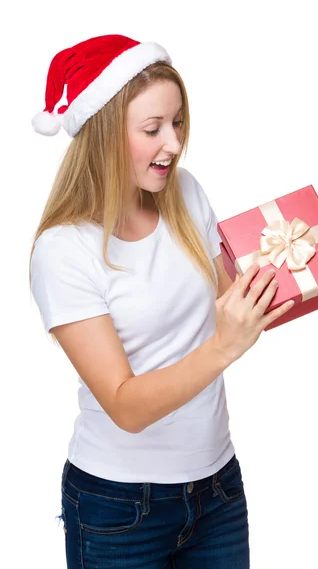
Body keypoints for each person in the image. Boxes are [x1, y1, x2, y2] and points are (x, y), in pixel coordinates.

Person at [29, 33, 295, 569]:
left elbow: (230, 302)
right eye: (152, 129)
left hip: (217, 487)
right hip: (119, 508)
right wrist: (223, 348)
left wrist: (292, 257)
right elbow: (125, 405)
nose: (173, 143)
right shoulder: (62, 252)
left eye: (176, 123)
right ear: (103, 136)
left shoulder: (186, 193)